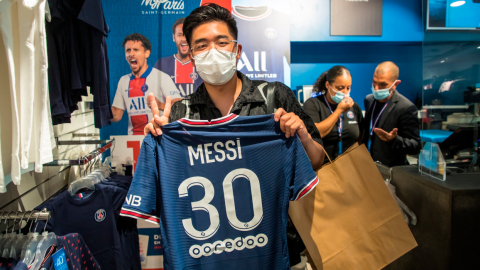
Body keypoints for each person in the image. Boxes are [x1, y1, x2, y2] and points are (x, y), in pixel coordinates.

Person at [144, 3, 325, 170]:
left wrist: (304, 137)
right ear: (192, 58)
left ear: (237, 51)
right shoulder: (182, 112)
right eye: (201, 45)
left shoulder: (274, 95)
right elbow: (171, 174)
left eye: (222, 43)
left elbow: (317, 161)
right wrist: (159, 142)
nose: (212, 51)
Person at [111, 33, 181, 135]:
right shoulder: (123, 81)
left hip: (158, 137)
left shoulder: (161, 77)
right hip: (133, 142)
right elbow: (116, 116)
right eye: (128, 50)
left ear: (146, 53)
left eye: (136, 50)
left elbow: (180, 107)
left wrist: (160, 105)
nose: (131, 54)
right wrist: (99, 106)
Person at [363, 61, 421, 167]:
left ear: (395, 84)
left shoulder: (406, 107)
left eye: (383, 85)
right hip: (367, 166)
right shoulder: (369, 100)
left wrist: (394, 140)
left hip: (390, 169)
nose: (376, 89)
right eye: (374, 82)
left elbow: (416, 146)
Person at [303, 66, 363, 163]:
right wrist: (338, 111)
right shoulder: (313, 104)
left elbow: (360, 138)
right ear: (328, 85)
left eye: (348, 88)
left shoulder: (354, 106)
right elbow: (316, 133)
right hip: (324, 167)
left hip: (351, 166)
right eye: (340, 88)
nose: (345, 92)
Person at [154, 18, 204, 97]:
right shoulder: (162, 64)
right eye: (180, 35)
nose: (184, 39)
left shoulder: (203, 63)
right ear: (174, 37)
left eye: (187, 35)